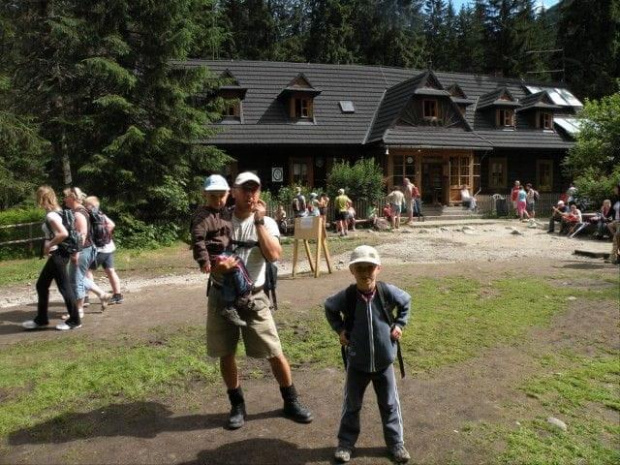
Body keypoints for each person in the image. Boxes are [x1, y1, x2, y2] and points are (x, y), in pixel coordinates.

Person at [206, 171, 313, 429]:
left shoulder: (268, 224)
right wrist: (215, 267)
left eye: (254, 189)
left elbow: (274, 255)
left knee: (275, 352)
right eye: (245, 189)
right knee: (226, 353)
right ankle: (237, 405)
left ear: (260, 193)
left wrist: (259, 223)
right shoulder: (219, 219)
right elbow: (205, 256)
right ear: (234, 191)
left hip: (254, 297)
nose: (250, 194)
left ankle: (291, 400)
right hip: (222, 296)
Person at [325, 245, 411, 464]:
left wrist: (399, 324)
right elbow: (329, 307)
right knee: (352, 405)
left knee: (390, 404)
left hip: (384, 364)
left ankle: (396, 444)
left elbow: (406, 302)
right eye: (359, 268)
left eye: (370, 268)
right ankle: (345, 444)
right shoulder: (348, 296)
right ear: (352, 271)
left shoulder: (386, 292)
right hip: (357, 365)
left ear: (378, 268)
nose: (365, 273)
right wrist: (340, 330)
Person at [191, 174, 254, 328]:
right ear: (204, 194)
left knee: (232, 272)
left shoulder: (225, 211)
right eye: (213, 196)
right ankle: (244, 296)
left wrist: (253, 206)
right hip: (213, 254)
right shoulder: (202, 216)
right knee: (237, 266)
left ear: (228, 194)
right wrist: (204, 261)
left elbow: (237, 212)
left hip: (225, 251)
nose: (218, 200)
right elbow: (198, 240)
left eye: (221, 196)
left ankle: (231, 305)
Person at [22, 186, 82, 331]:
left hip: (59, 255)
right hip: (60, 255)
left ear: (42, 199)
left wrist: (48, 245)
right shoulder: (58, 211)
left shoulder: (51, 215)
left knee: (64, 287)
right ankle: (41, 319)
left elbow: (63, 234)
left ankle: (74, 320)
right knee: (42, 285)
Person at [63, 187, 111, 321]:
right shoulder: (79, 211)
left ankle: (78, 311)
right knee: (77, 277)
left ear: (72, 198)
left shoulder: (78, 213)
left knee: (75, 280)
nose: (64, 199)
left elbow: (82, 234)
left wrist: (76, 253)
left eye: (65, 196)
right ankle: (102, 294)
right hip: (85, 249)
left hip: (83, 250)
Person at [84, 196, 123, 305]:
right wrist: (105, 235)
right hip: (109, 247)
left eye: (86, 204)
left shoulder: (88, 217)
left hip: (99, 249)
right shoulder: (102, 215)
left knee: (87, 270)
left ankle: (86, 297)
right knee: (110, 271)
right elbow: (112, 225)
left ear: (91, 206)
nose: (84, 206)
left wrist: (97, 238)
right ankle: (117, 295)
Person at [609, 184, 620, 265]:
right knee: (617, 240)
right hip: (616, 221)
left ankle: (613, 258)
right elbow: (611, 211)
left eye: (615, 188)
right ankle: (617, 257)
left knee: (616, 240)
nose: (614, 189)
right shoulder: (615, 199)